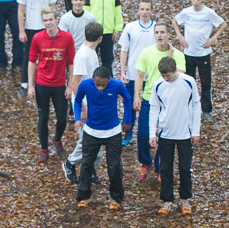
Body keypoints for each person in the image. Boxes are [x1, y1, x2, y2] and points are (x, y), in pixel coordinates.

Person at [133, 21, 186, 182]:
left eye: (163, 32)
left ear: (169, 35)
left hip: (168, 101)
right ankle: (146, 162)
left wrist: (169, 58)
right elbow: (140, 75)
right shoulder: (147, 52)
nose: (159, 35)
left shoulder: (178, 55)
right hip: (149, 98)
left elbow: (181, 75)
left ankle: (160, 167)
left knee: (164, 136)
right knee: (142, 134)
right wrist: (137, 96)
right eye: (157, 32)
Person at [149, 57, 201, 215]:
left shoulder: (188, 81)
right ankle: (167, 200)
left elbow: (196, 104)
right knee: (165, 168)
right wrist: (152, 133)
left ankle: (185, 199)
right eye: (164, 76)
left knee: (185, 168)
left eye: (169, 76)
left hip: (185, 132)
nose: (166, 78)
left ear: (175, 70)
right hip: (166, 133)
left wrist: (196, 131)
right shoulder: (158, 84)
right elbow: (154, 109)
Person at [75, 66, 131, 210]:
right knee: (87, 164)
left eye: (103, 85)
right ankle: (83, 196)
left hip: (112, 131)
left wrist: (127, 120)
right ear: (93, 79)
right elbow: (77, 100)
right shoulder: (85, 85)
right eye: (97, 84)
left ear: (109, 80)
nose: (100, 88)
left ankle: (116, 197)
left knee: (114, 166)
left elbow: (127, 99)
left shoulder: (117, 85)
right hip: (91, 131)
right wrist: (77, 118)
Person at [172, 0, 227, 122]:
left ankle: (207, 110)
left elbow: (223, 24)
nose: (195, 2)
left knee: (205, 82)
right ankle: (189, 107)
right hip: (189, 53)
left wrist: (214, 38)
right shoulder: (186, 12)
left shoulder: (209, 13)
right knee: (188, 81)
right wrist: (180, 36)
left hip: (203, 53)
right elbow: (175, 21)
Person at [28, 8, 75, 163]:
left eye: (50, 19)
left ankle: (57, 139)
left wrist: (70, 85)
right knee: (43, 116)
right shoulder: (37, 38)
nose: (48, 23)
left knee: (62, 118)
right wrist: (30, 85)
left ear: (56, 19)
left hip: (60, 84)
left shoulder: (67, 38)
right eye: (45, 20)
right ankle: (44, 149)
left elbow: (71, 62)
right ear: (42, 22)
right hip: (42, 83)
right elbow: (31, 62)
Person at [62, 21, 104, 184]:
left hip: (93, 102)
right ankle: (70, 163)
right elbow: (75, 83)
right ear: (100, 38)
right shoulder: (83, 54)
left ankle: (91, 169)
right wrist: (82, 107)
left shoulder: (92, 53)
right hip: (84, 104)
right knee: (87, 139)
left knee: (98, 137)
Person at [118, 0, 155, 145]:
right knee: (130, 105)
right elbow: (124, 50)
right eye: (142, 9)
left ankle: (148, 135)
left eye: (147, 9)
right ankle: (128, 133)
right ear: (138, 11)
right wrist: (122, 71)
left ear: (152, 11)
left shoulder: (157, 28)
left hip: (150, 75)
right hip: (133, 74)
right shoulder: (130, 27)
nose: (144, 12)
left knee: (150, 106)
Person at [17, 0, 57, 98]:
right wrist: (22, 30)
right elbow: (20, 11)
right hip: (30, 29)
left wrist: (53, 28)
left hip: (45, 28)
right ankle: (25, 83)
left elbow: (53, 10)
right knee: (29, 56)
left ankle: (47, 82)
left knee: (48, 56)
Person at [83, 0, 123, 75]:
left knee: (108, 60)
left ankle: (108, 84)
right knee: (91, 59)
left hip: (108, 30)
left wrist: (117, 29)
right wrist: (87, 29)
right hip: (93, 31)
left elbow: (117, 9)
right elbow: (86, 9)